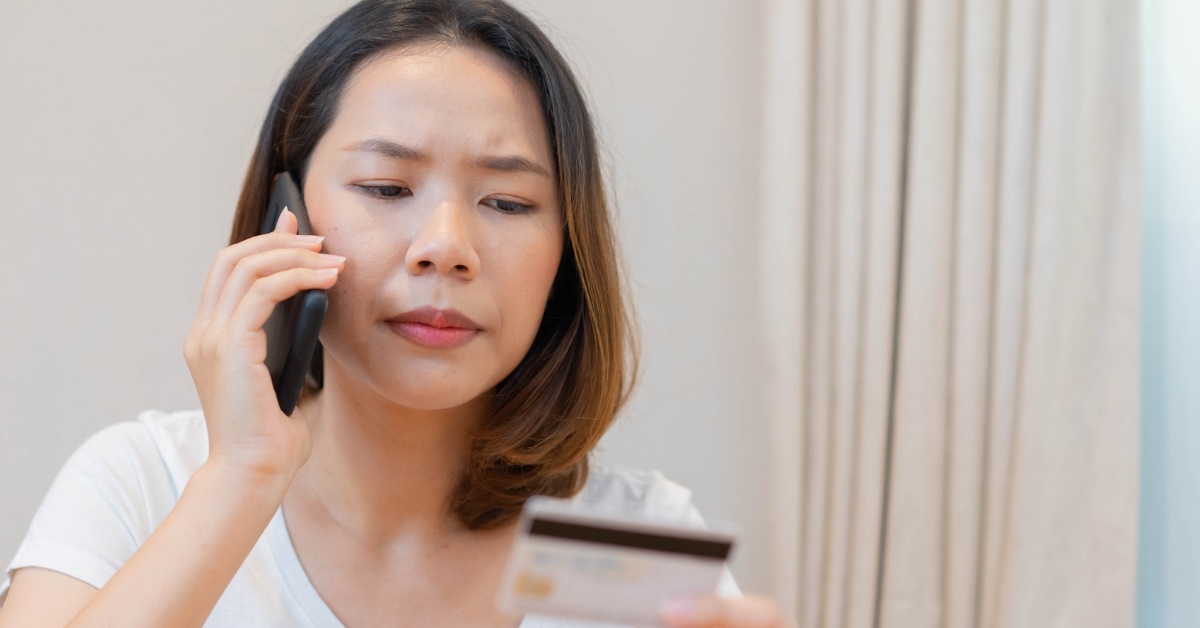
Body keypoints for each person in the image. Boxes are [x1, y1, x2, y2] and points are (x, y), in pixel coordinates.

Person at [0, 1, 788, 626]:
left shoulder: (627, 550)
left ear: (567, 253)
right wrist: (239, 480)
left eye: (508, 201)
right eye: (385, 189)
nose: (446, 248)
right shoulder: (145, 484)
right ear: (287, 217)